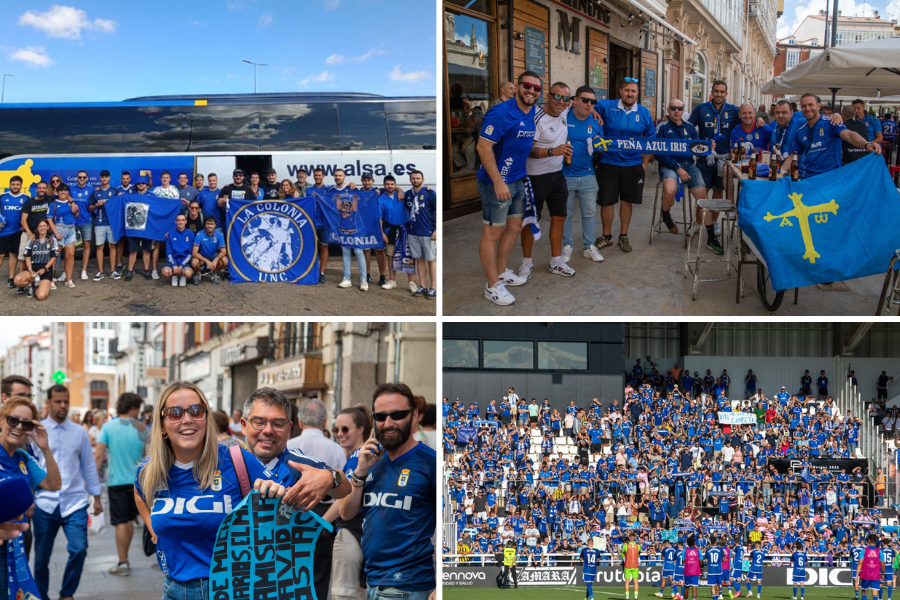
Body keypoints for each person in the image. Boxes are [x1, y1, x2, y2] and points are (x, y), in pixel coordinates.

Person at [133, 382, 289, 600]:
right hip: (172, 590)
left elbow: (292, 503)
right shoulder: (148, 471)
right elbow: (140, 495)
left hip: (231, 589)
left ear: (206, 418)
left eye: (196, 410)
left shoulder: (237, 462)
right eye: (175, 413)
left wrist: (329, 478)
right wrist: (153, 530)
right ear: (161, 425)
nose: (187, 419)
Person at [242, 389, 350, 600]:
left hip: (287, 586)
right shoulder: (226, 463)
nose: (268, 430)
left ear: (290, 428)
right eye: (259, 422)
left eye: (278, 423)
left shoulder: (299, 464)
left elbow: (345, 487)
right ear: (244, 425)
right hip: (236, 584)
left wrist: (329, 477)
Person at [339, 382, 436, 600]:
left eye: (397, 415)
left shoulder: (430, 463)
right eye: (381, 417)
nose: (388, 423)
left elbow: (451, 522)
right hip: (374, 582)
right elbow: (346, 512)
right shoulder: (371, 461)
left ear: (414, 415)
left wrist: (441, 584)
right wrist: (361, 471)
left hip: (408, 585)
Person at [33, 384, 103, 600]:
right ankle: (41, 595)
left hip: (75, 502)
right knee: (41, 558)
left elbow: (88, 466)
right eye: (58, 401)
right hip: (44, 503)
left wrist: (97, 497)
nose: (63, 405)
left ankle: (67, 594)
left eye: (66, 401)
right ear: (49, 402)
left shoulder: (79, 432)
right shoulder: (36, 431)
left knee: (79, 549)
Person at [476, 71, 540, 306]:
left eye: (536, 88)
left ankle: (501, 271)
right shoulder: (500, 112)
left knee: (514, 227)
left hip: (518, 179)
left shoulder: (533, 110)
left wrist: (593, 110)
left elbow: (563, 105)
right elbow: (483, 147)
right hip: (496, 183)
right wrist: (498, 181)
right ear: (517, 87)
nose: (531, 91)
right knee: (492, 233)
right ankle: (492, 285)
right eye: (526, 86)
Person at [0, 396, 62, 600]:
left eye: (26, 423)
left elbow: (54, 484)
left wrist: (45, 447)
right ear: (1, 420)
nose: (18, 427)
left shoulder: (24, 458)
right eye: (12, 420)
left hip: (18, 543)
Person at [518, 82, 575, 278]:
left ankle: (556, 261)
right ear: (548, 96)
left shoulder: (564, 113)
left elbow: (583, 106)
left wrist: (595, 113)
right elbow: (527, 151)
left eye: (566, 98)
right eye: (557, 97)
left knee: (559, 217)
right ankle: (526, 262)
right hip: (535, 177)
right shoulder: (537, 118)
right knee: (530, 221)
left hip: (557, 175)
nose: (561, 102)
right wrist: (553, 151)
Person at [592, 78, 655, 253]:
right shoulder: (606, 106)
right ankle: (606, 237)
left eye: (633, 91)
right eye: (627, 90)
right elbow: (586, 107)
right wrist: (594, 114)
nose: (630, 94)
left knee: (627, 201)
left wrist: (643, 164)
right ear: (620, 91)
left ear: (637, 94)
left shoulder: (643, 112)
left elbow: (649, 140)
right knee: (607, 201)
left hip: (633, 164)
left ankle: (623, 235)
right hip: (608, 163)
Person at [93, 392, 146, 576]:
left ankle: (122, 561)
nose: (139, 411)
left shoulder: (107, 427)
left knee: (120, 522)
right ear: (133, 407)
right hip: (137, 482)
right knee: (129, 519)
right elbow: (149, 456)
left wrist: (93, 481)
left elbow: (99, 454)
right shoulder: (141, 427)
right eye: (138, 407)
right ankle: (125, 557)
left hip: (116, 481)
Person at [556, 85, 605, 269]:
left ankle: (588, 246)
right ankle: (567, 245)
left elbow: (602, 143)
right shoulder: (563, 116)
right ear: (575, 100)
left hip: (587, 174)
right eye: (585, 100)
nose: (589, 104)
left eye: (593, 102)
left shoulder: (596, 120)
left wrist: (599, 145)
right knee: (565, 214)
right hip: (564, 174)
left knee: (590, 213)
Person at [331, 407, 372, 600]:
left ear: (361, 429)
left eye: (345, 429)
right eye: (336, 429)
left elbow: (344, 503)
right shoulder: (361, 456)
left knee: (344, 593)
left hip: (352, 527)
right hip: (366, 529)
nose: (339, 434)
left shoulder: (358, 457)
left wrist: (319, 523)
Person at [654, 99, 709, 239]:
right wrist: (677, 168)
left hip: (688, 165)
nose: (676, 111)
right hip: (669, 165)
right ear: (668, 110)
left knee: (703, 197)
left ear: (683, 110)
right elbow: (659, 153)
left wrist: (708, 147)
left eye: (679, 108)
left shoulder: (690, 127)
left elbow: (698, 149)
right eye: (673, 108)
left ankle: (712, 236)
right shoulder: (662, 127)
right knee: (670, 190)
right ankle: (666, 215)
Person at [793, 93, 880, 179]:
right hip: (808, 178)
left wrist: (867, 144)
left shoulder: (831, 122)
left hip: (830, 178)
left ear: (818, 106)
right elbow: (794, 156)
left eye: (810, 105)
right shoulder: (800, 131)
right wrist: (781, 170)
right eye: (804, 106)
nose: (807, 108)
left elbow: (848, 135)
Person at [405, 170, 437, 297]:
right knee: (419, 260)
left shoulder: (430, 193)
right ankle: (422, 285)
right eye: (413, 178)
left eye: (418, 178)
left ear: (423, 179)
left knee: (431, 260)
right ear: (410, 180)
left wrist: (436, 230)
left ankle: (434, 287)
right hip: (413, 232)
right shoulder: (408, 194)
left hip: (428, 232)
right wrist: (397, 189)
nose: (415, 180)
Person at [19, 180, 53, 294]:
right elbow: (23, 220)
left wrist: (72, 202)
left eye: (44, 188)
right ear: (36, 189)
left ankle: (46, 280)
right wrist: (29, 233)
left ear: (47, 189)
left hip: (43, 233)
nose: (42, 190)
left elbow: (65, 196)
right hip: (29, 233)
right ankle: (23, 284)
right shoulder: (29, 202)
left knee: (46, 257)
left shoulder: (50, 199)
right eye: (39, 188)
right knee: (24, 257)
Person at [14, 219, 59, 300]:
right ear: (37, 228)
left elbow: (53, 257)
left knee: (41, 296)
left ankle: (38, 285)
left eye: (44, 226)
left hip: (45, 270)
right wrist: (30, 270)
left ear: (48, 227)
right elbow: (27, 257)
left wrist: (45, 269)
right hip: (33, 268)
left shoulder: (52, 240)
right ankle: (29, 285)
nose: (42, 228)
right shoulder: (32, 241)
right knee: (17, 280)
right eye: (40, 226)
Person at [122, 174, 155, 281]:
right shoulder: (131, 195)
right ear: (136, 185)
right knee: (133, 250)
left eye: (143, 183)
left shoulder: (151, 195)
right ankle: (130, 271)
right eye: (139, 184)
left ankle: (146, 270)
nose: (141, 185)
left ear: (146, 185)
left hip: (147, 228)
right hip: (134, 227)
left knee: (146, 250)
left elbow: (158, 208)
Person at [88, 170, 119, 281]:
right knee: (99, 246)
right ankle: (100, 271)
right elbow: (90, 207)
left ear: (109, 178)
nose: (104, 178)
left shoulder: (115, 192)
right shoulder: (96, 192)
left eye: (106, 177)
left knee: (112, 246)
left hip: (112, 223)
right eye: (102, 177)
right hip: (99, 222)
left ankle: (113, 271)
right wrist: (97, 204)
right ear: (100, 178)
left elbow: (121, 204)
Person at [0, 175, 28, 290]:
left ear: (21, 185)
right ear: (9, 185)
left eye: (17, 184)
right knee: (1, 255)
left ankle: (11, 278)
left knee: (13, 255)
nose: (15, 186)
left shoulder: (25, 198)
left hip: (16, 231)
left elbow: (27, 213)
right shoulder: (2, 197)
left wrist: (24, 225)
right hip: (2, 232)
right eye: (13, 184)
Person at [70, 170, 94, 281]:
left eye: (84, 177)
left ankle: (84, 270)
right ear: (77, 178)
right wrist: (72, 202)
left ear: (87, 179)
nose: (82, 179)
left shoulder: (91, 189)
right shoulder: (71, 189)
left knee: (86, 246)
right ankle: (67, 271)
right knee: (69, 247)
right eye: (80, 177)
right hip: (73, 221)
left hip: (86, 221)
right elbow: (65, 197)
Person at [191, 215, 227, 285]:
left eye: (212, 224)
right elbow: (194, 253)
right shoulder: (199, 234)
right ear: (205, 225)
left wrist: (216, 260)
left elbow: (224, 251)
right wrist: (207, 261)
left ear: (215, 225)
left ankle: (213, 273)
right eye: (208, 224)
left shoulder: (219, 234)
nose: (210, 226)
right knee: (194, 262)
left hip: (213, 256)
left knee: (225, 260)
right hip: (201, 256)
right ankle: (197, 274)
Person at [162, 213, 195, 287]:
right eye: (179, 220)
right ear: (176, 222)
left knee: (188, 273)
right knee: (165, 272)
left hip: (184, 261)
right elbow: (169, 252)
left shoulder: (190, 234)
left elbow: (190, 253)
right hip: (172, 261)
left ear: (186, 221)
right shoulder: (170, 234)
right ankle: (174, 275)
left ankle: (183, 276)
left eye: (183, 220)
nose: (181, 222)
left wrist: (181, 265)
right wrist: (174, 264)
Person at [860, 534, 884, 600]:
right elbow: (882, 565)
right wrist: (883, 574)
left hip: (865, 574)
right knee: (875, 594)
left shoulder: (864, 550)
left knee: (864, 593)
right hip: (876, 575)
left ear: (869, 541)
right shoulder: (880, 551)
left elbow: (860, 563)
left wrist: (857, 575)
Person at [622, 531, 642, 600]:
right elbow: (638, 555)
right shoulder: (638, 546)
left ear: (629, 538)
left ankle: (627, 597)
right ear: (634, 538)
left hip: (627, 565)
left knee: (627, 581)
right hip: (635, 565)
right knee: (636, 582)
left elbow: (622, 555)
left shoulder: (625, 546)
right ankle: (636, 597)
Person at [684, 535, 702, 600]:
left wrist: (689, 561)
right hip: (695, 571)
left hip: (687, 571)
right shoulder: (698, 551)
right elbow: (701, 561)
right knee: (694, 589)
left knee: (686, 588)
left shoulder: (685, 550)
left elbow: (683, 561)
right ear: (694, 543)